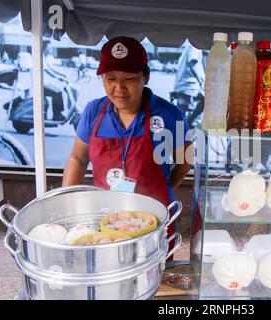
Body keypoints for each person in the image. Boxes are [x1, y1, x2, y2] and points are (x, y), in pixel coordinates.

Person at [62, 37, 193, 254]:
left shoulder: (169, 115)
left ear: (146, 77)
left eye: (129, 79)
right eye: (110, 78)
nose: (118, 88)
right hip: (106, 220)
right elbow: (77, 158)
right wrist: (66, 204)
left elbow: (186, 158)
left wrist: (167, 188)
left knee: (154, 279)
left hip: (154, 221)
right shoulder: (93, 112)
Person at [172, 43, 205, 128]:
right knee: (206, 100)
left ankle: (186, 125)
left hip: (183, 84)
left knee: (182, 112)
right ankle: (189, 123)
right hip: (188, 85)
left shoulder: (190, 45)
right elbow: (193, 62)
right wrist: (203, 80)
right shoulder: (195, 45)